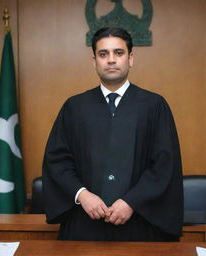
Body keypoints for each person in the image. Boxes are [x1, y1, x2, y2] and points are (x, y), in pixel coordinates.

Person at [42, 27, 183, 241]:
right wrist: (82, 195)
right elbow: (57, 161)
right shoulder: (75, 107)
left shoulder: (154, 106)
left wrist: (132, 202)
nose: (111, 60)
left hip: (140, 224)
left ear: (131, 58)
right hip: (84, 225)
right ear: (94, 61)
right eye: (103, 54)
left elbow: (165, 165)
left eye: (119, 53)